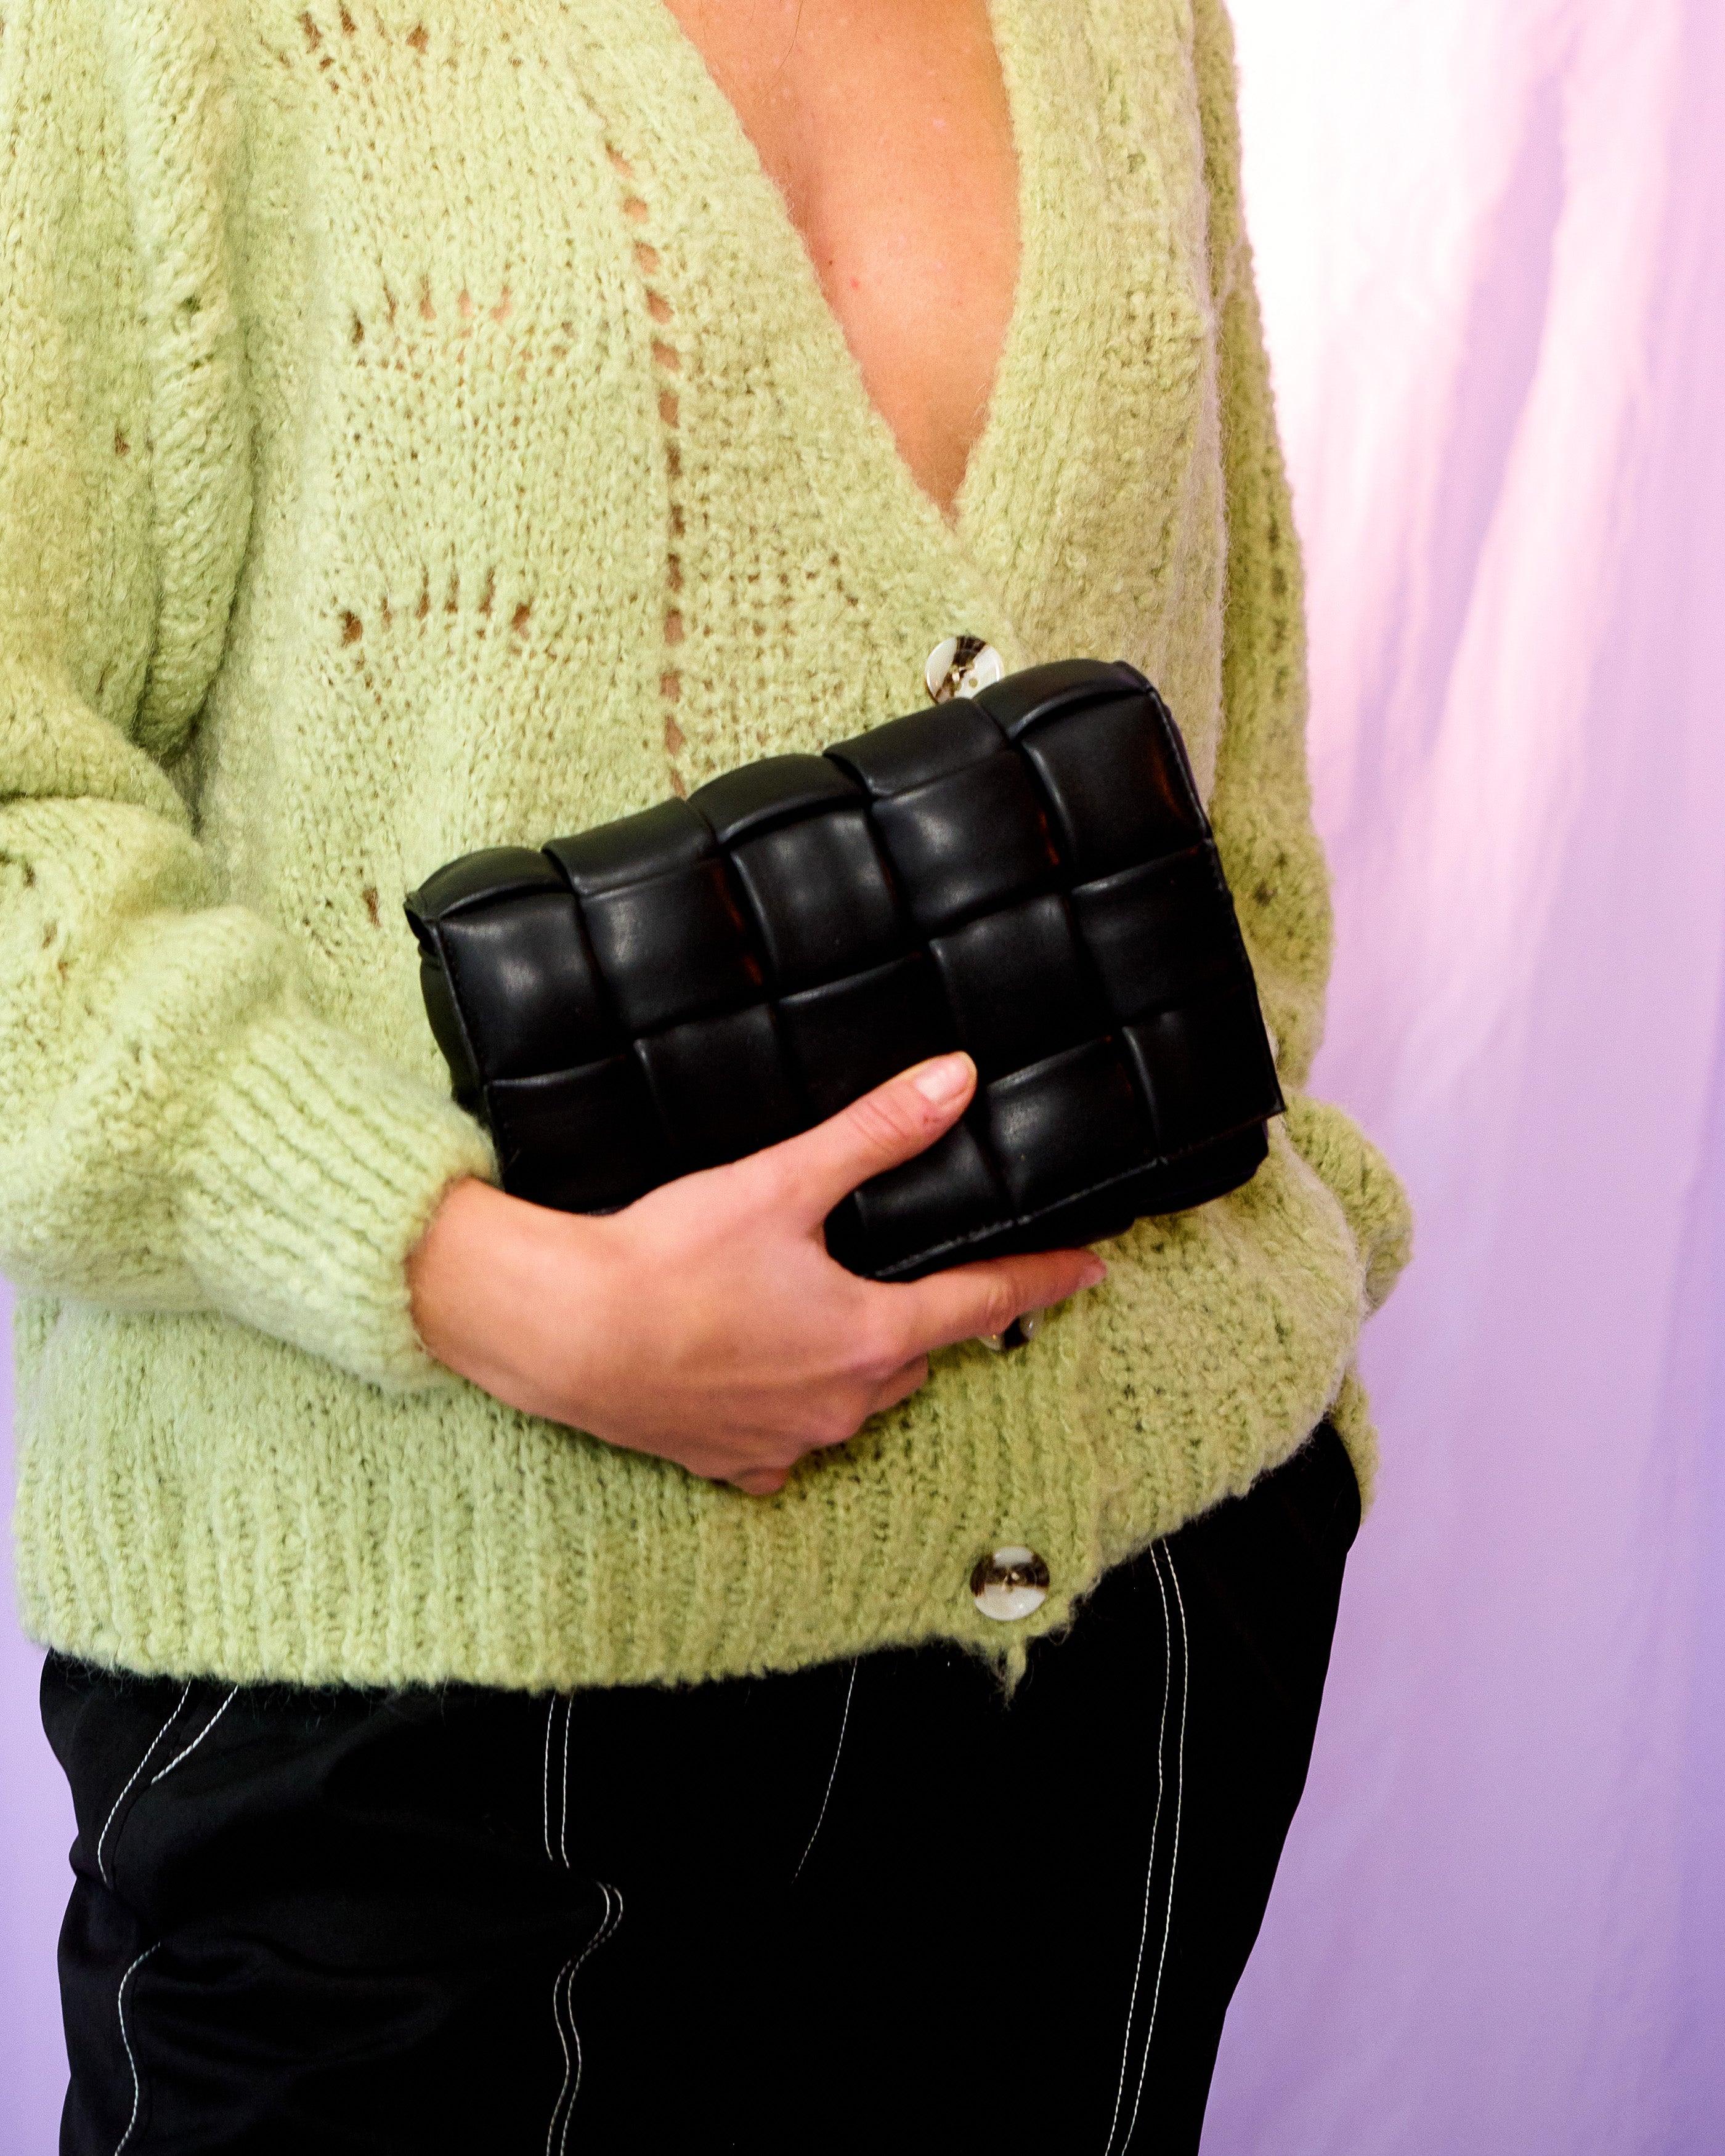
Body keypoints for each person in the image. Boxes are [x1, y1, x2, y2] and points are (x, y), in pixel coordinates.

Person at [1, 0, 1412, 2147]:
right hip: (426, 1705)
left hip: (1128, 1664)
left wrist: (1285, 1276)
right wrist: (481, 1279)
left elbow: (1230, 707)